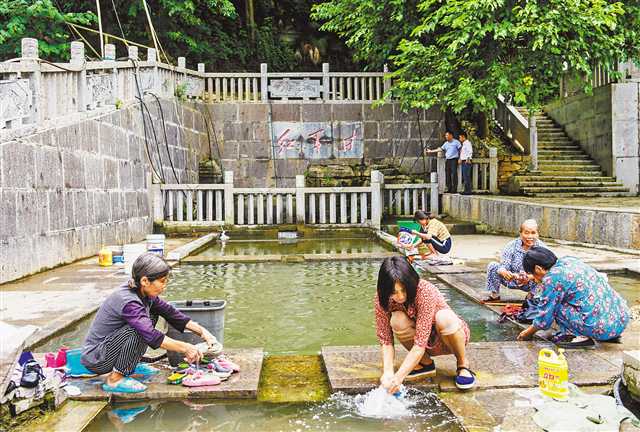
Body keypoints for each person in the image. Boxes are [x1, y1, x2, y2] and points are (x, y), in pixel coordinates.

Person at [81, 253, 218, 393]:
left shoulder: (145, 294)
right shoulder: (129, 301)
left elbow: (171, 313)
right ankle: (115, 379)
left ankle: (129, 365)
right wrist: (187, 348)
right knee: (141, 330)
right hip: (97, 358)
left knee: (151, 316)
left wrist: (203, 331)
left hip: (109, 349)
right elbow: (151, 335)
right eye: (162, 281)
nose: (165, 286)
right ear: (145, 281)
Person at [374, 256, 475, 392]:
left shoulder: (424, 290)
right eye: (394, 292)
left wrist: (398, 378)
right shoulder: (382, 298)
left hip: (448, 338)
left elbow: (419, 344)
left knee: (444, 317)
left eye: (403, 290)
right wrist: (388, 372)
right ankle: (426, 363)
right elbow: (385, 340)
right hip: (421, 343)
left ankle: (463, 365)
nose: (400, 297)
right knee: (397, 319)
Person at [516, 247, 630, 349]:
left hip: (602, 329)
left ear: (538, 268)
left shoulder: (552, 279)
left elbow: (543, 320)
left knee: (554, 306)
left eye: (533, 274)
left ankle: (579, 337)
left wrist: (528, 332)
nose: (535, 279)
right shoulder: (569, 260)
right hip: (620, 320)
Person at [482, 219, 546, 303]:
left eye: (533, 233)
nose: (530, 236)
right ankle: (495, 295)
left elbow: (547, 271)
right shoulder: (511, 246)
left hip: (531, 282)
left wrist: (530, 277)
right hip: (512, 280)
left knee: (547, 277)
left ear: (538, 234)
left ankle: (531, 296)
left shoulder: (543, 249)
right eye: (526, 233)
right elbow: (504, 266)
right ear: (520, 233)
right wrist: (504, 272)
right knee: (493, 266)